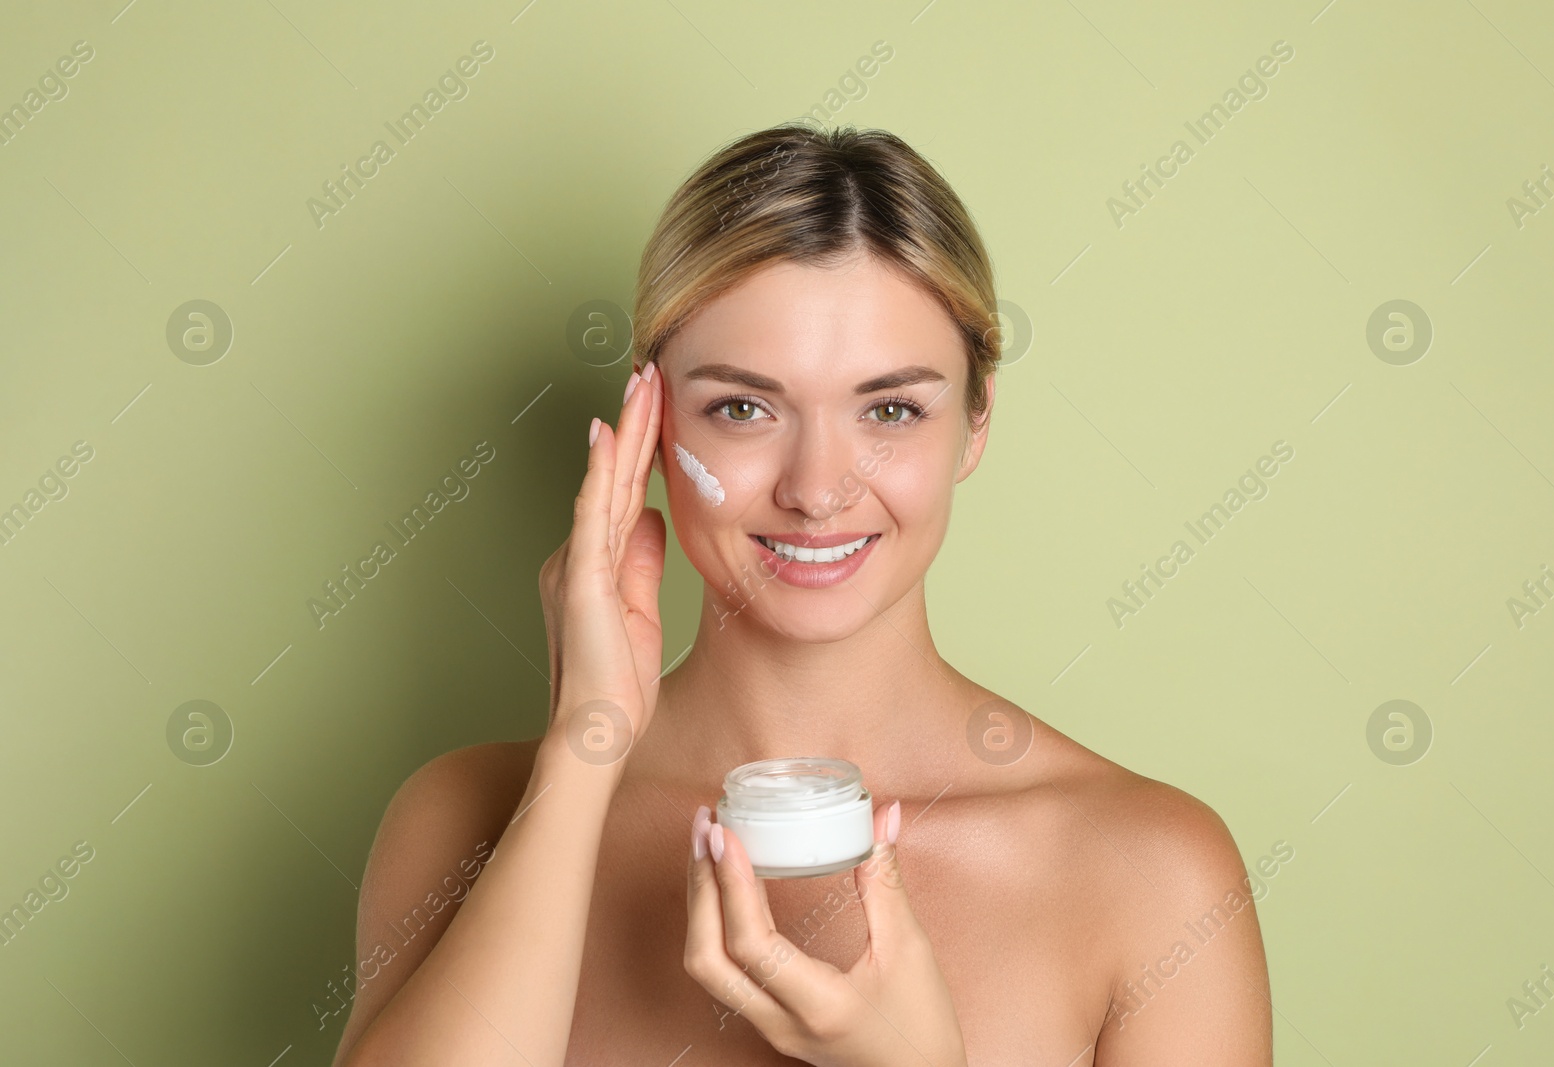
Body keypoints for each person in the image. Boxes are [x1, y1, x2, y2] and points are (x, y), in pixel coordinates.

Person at [331, 122, 1272, 1066]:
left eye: (891, 409)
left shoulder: (1151, 874)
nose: (817, 489)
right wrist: (585, 748)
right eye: (743, 408)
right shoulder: (464, 820)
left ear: (975, 424)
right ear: (650, 424)